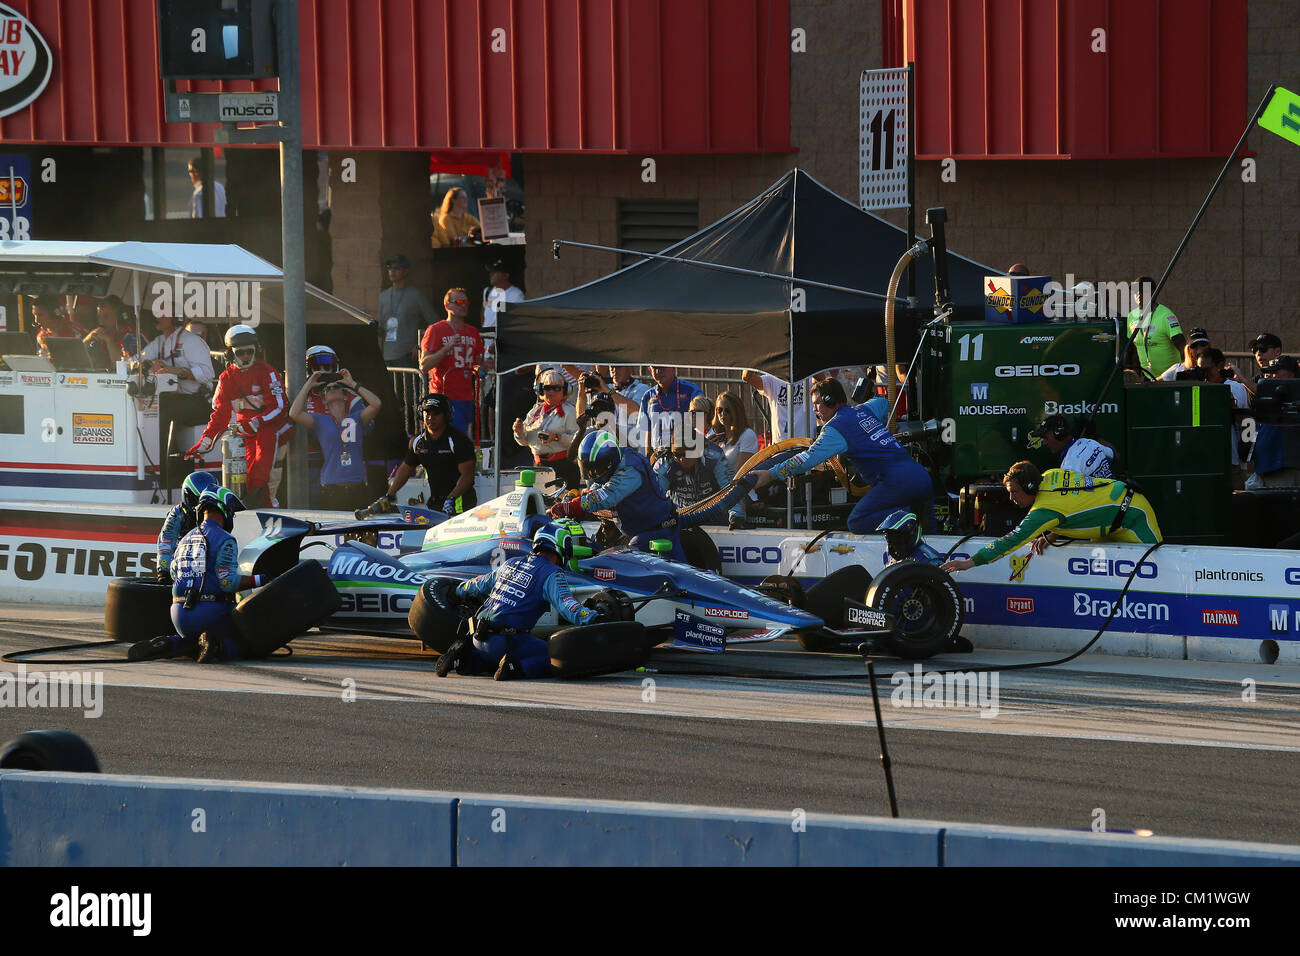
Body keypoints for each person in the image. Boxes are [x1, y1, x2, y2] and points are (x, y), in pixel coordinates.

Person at [751, 378, 934, 533]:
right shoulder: (864, 410)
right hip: (921, 477)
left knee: (857, 521)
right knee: (933, 542)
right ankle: (915, 516)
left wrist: (770, 474)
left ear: (830, 401)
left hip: (897, 483)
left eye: (817, 404)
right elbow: (883, 403)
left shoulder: (834, 429)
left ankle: (912, 514)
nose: (814, 409)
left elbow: (806, 460)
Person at [437, 522, 599, 681]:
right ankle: (515, 668)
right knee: (559, 657)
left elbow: (479, 584)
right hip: (508, 642)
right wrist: (591, 616)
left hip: (477, 639)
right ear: (560, 547)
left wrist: (457, 590)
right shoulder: (552, 573)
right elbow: (567, 605)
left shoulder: (510, 564)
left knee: (486, 663)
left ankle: (463, 659)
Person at [942, 462, 1161, 574]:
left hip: (1134, 514)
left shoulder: (1043, 512)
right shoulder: (1049, 475)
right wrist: (1050, 536)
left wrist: (968, 563)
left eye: (1014, 492)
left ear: (1029, 487)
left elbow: (1009, 542)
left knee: (1161, 565)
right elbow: (1074, 505)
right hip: (1113, 517)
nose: (1011, 498)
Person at [130, 487, 267, 662]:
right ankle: (218, 647)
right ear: (224, 510)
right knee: (249, 643)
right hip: (210, 614)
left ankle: (168, 643)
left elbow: (174, 572)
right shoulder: (225, 539)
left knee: (193, 642)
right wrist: (262, 578)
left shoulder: (184, 539)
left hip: (179, 616)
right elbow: (228, 583)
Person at [185, 324, 292, 509]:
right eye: (241, 353)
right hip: (246, 430)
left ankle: (265, 503)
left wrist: (256, 422)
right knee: (246, 474)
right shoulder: (226, 378)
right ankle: (253, 505)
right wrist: (205, 442)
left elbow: (280, 408)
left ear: (256, 350)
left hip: (273, 427)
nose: (246, 357)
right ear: (230, 353)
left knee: (262, 468)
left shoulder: (268, 373)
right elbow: (220, 415)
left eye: (249, 352)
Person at [550, 429, 685, 560]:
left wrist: (572, 506)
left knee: (622, 563)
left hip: (657, 530)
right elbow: (601, 483)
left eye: (596, 469)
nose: (592, 474)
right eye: (588, 470)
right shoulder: (614, 464)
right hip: (640, 530)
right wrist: (587, 495)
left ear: (610, 462)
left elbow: (607, 495)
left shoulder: (631, 469)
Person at [289, 354, 383, 512]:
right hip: (331, 487)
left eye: (336, 387)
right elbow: (294, 413)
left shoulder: (357, 418)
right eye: (328, 389)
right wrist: (308, 385)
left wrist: (353, 384)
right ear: (324, 399)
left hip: (357, 485)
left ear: (346, 396)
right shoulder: (321, 420)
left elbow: (377, 403)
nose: (332, 389)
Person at [364, 393, 476, 517]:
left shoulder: (458, 440)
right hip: (435, 502)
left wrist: (451, 499)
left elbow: (468, 476)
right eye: (427, 413)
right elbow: (406, 469)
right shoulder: (418, 442)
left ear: (446, 415)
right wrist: (389, 496)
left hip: (459, 502)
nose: (430, 418)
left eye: (436, 414)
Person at [139, 308, 217, 478]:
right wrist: (150, 365)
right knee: (150, 411)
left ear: (175, 317)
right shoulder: (160, 341)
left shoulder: (191, 341)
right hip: (173, 399)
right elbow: (138, 360)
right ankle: (158, 467)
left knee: (162, 414)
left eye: (163, 313)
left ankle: (168, 474)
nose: (157, 317)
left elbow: (207, 373)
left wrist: (174, 370)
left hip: (199, 400)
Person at [654, 397, 745, 529]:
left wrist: (737, 516)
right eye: (677, 454)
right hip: (680, 522)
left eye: (686, 453)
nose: (681, 459)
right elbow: (655, 497)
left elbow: (731, 487)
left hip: (715, 522)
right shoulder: (665, 462)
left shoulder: (714, 456)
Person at [419, 287, 489, 437]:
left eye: (466, 302)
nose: (463, 305)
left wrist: (483, 368)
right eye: (458, 302)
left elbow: (477, 364)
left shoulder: (473, 332)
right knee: (448, 443)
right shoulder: (436, 329)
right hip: (444, 397)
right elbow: (424, 365)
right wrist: (446, 349)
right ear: (447, 305)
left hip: (467, 398)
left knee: (463, 443)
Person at [513, 367, 581, 489]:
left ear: (564, 390)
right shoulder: (535, 412)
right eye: (547, 387)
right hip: (538, 467)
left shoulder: (570, 411)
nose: (551, 391)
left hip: (563, 467)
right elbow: (524, 442)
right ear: (540, 390)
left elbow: (577, 441)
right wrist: (519, 432)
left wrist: (556, 437)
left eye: (556, 388)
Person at [155, 471, 220, 584]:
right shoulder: (177, 514)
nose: (203, 506)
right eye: (199, 500)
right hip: (181, 560)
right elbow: (166, 541)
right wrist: (163, 572)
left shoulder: (218, 513)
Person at [1247, 355, 1300, 489]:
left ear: (1291, 375)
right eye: (1269, 372)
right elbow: (1247, 439)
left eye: (1275, 372)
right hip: (1267, 467)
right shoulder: (1265, 400)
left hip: (1286, 468)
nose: (1270, 375)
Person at [1197, 347, 1252, 476]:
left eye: (1207, 369)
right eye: (1200, 369)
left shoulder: (1233, 387)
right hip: (1204, 456)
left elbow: (1241, 420)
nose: (1203, 374)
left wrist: (1229, 402)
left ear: (1220, 365)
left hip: (1229, 456)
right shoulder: (1198, 388)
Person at [378, 253, 437, 367]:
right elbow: (382, 327)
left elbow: (435, 323)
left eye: (397, 268)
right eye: (390, 268)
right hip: (387, 355)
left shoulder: (416, 295)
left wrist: (419, 345)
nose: (392, 271)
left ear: (405, 271)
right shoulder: (383, 296)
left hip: (408, 355)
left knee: (409, 385)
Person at [1126, 275, 1185, 378]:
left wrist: (1182, 373)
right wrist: (1135, 371)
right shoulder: (1131, 316)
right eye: (1135, 292)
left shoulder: (1166, 316)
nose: (1138, 294)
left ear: (1153, 292)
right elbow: (1133, 347)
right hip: (1146, 378)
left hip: (1169, 379)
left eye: (1142, 291)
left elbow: (1182, 346)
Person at [1027, 414, 1115, 478]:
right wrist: (1095, 436)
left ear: (1059, 434)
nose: (1044, 443)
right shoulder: (1090, 442)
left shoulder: (1069, 467)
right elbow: (1115, 455)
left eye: (1045, 438)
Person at [639, 366, 703, 451]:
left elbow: (701, 423)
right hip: (659, 455)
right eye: (654, 368)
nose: (658, 371)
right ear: (650, 370)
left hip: (684, 455)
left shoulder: (691, 390)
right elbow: (648, 431)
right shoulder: (648, 396)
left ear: (673, 368)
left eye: (662, 367)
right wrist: (649, 457)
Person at [742, 369, 815, 442]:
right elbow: (747, 377)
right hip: (780, 443)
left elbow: (823, 381)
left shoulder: (810, 379)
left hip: (806, 442)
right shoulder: (773, 379)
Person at [709, 390, 760, 472]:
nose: (723, 414)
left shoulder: (747, 435)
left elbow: (739, 473)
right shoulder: (715, 436)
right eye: (719, 410)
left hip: (736, 483)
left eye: (727, 410)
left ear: (736, 411)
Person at [81, 295, 133, 371]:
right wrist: (86, 341)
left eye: (106, 316)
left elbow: (124, 367)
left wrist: (109, 341)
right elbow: (77, 361)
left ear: (118, 317)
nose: (101, 322)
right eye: (99, 317)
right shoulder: (98, 336)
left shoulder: (132, 335)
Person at [482, 259, 524, 333]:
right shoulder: (487, 291)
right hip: (486, 340)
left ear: (505, 276)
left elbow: (517, 321)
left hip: (501, 341)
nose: (490, 274)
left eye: (495, 272)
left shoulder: (516, 295)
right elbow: (483, 311)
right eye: (491, 272)